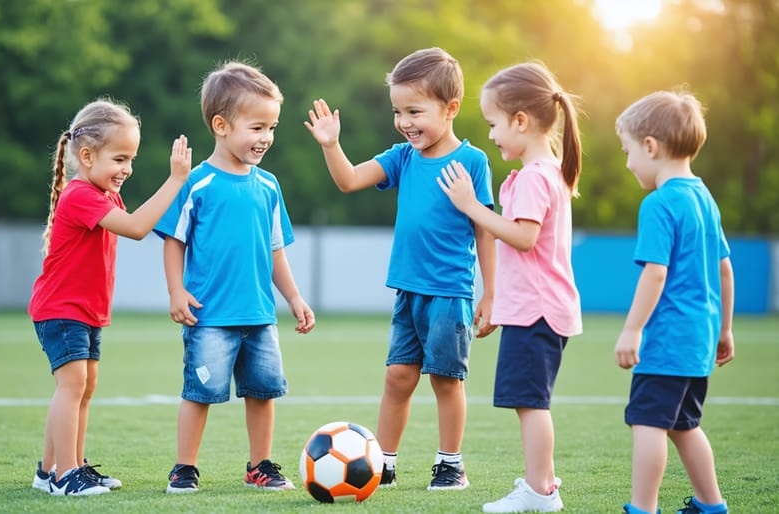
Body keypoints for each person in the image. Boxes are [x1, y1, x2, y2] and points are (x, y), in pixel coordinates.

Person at [305, 47, 497, 491]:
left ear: (450, 109)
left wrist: (490, 293)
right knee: (398, 376)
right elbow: (349, 180)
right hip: (408, 290)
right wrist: (332, 145)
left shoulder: (472, 162)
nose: (405, 122)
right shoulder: (403, 157)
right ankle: (383, 463)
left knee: (446, 380)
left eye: (415, 111)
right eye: (398, 111)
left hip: (450, 292)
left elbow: (485, 230)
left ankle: (450, 464)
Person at [154, 61, 315, 494]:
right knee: (199, 393)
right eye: (257, 126)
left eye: (272, 127)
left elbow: (275, 250)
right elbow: (173, 239)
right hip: (209, 315)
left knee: (263, 392)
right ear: (221, 125)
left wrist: (295, 298)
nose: (266, 138)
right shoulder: (197, 183)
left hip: (260, 315)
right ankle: (184, 468)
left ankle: (259, 465)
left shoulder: (269, 186)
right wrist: (176, 291)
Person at [29, 98, 193, 495]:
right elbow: (137, 228)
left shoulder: (103, 195)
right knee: (72, 386)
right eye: (120, 159)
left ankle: (55, 469)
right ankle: (66, 475)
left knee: (83, 386)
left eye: (131, 159)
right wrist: (175, 180)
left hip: (85, 311)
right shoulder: (81, 194)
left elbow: (135, 222)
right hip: (61, 309)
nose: (128, 169)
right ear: (86, 156)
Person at [437, 62, 582, 513]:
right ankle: (542, 485)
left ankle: (541, 492)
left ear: (521, 120)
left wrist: (470, 206)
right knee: (529, 402)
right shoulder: (542, 173)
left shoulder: (536, 177)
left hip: (538, 312)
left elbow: (523, 237)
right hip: (535, 310)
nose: (493, 135)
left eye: (494, 124)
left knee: (531, 404)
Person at [613, 91, 734, 514]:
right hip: (699, 339)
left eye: (628, 151)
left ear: (651, 146)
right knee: (685, 425)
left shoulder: (660, 203)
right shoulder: (704, 198)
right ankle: (710, 504)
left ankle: (642, 508)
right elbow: (724, 270)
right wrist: (725, 329)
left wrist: (632, 329)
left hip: (666, 341)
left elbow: (656, 272)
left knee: (648, 423)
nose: (628, 163)